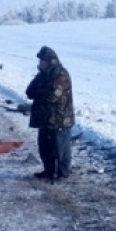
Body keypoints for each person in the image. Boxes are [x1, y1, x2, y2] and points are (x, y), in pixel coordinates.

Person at [26, 46, 75, 181]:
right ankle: (48, 171)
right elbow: (29, 92)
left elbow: (51, 96)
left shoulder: (61, 75)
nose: (40, 62)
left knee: (61, 149)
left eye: (43, 60)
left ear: (50, 61)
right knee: (45, 148)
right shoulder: (42, 75)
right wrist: (41, 89)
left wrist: (39, 90)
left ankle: (62, 173)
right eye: (40, 60)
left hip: (59, 119)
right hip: (45, 119)